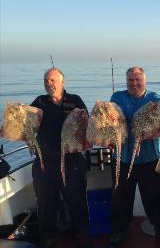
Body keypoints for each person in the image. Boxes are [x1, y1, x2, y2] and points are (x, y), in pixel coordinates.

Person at [109, 66, 160, 247]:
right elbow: (111, 121)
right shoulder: (117, 98)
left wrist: (149, 133)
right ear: (126, 81)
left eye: (138, 80)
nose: (134, 83)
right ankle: (120, 229)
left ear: (145, 81)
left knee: (154, 195)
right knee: (120, 196)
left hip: (150, 159)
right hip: (123, 158)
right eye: (130, 80)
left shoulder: (155, 98)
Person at [31, 68, 91, 248]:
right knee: (45, 200)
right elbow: (27, 126)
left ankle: (80, 231)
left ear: (63, 82)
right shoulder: (39, 102)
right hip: (46, 160)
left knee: (76, 198)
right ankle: (48, 234)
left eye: (53, 80)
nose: (49, 83)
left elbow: (87, 125)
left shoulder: (75, 101)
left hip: (72, 158)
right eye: (46, 80)